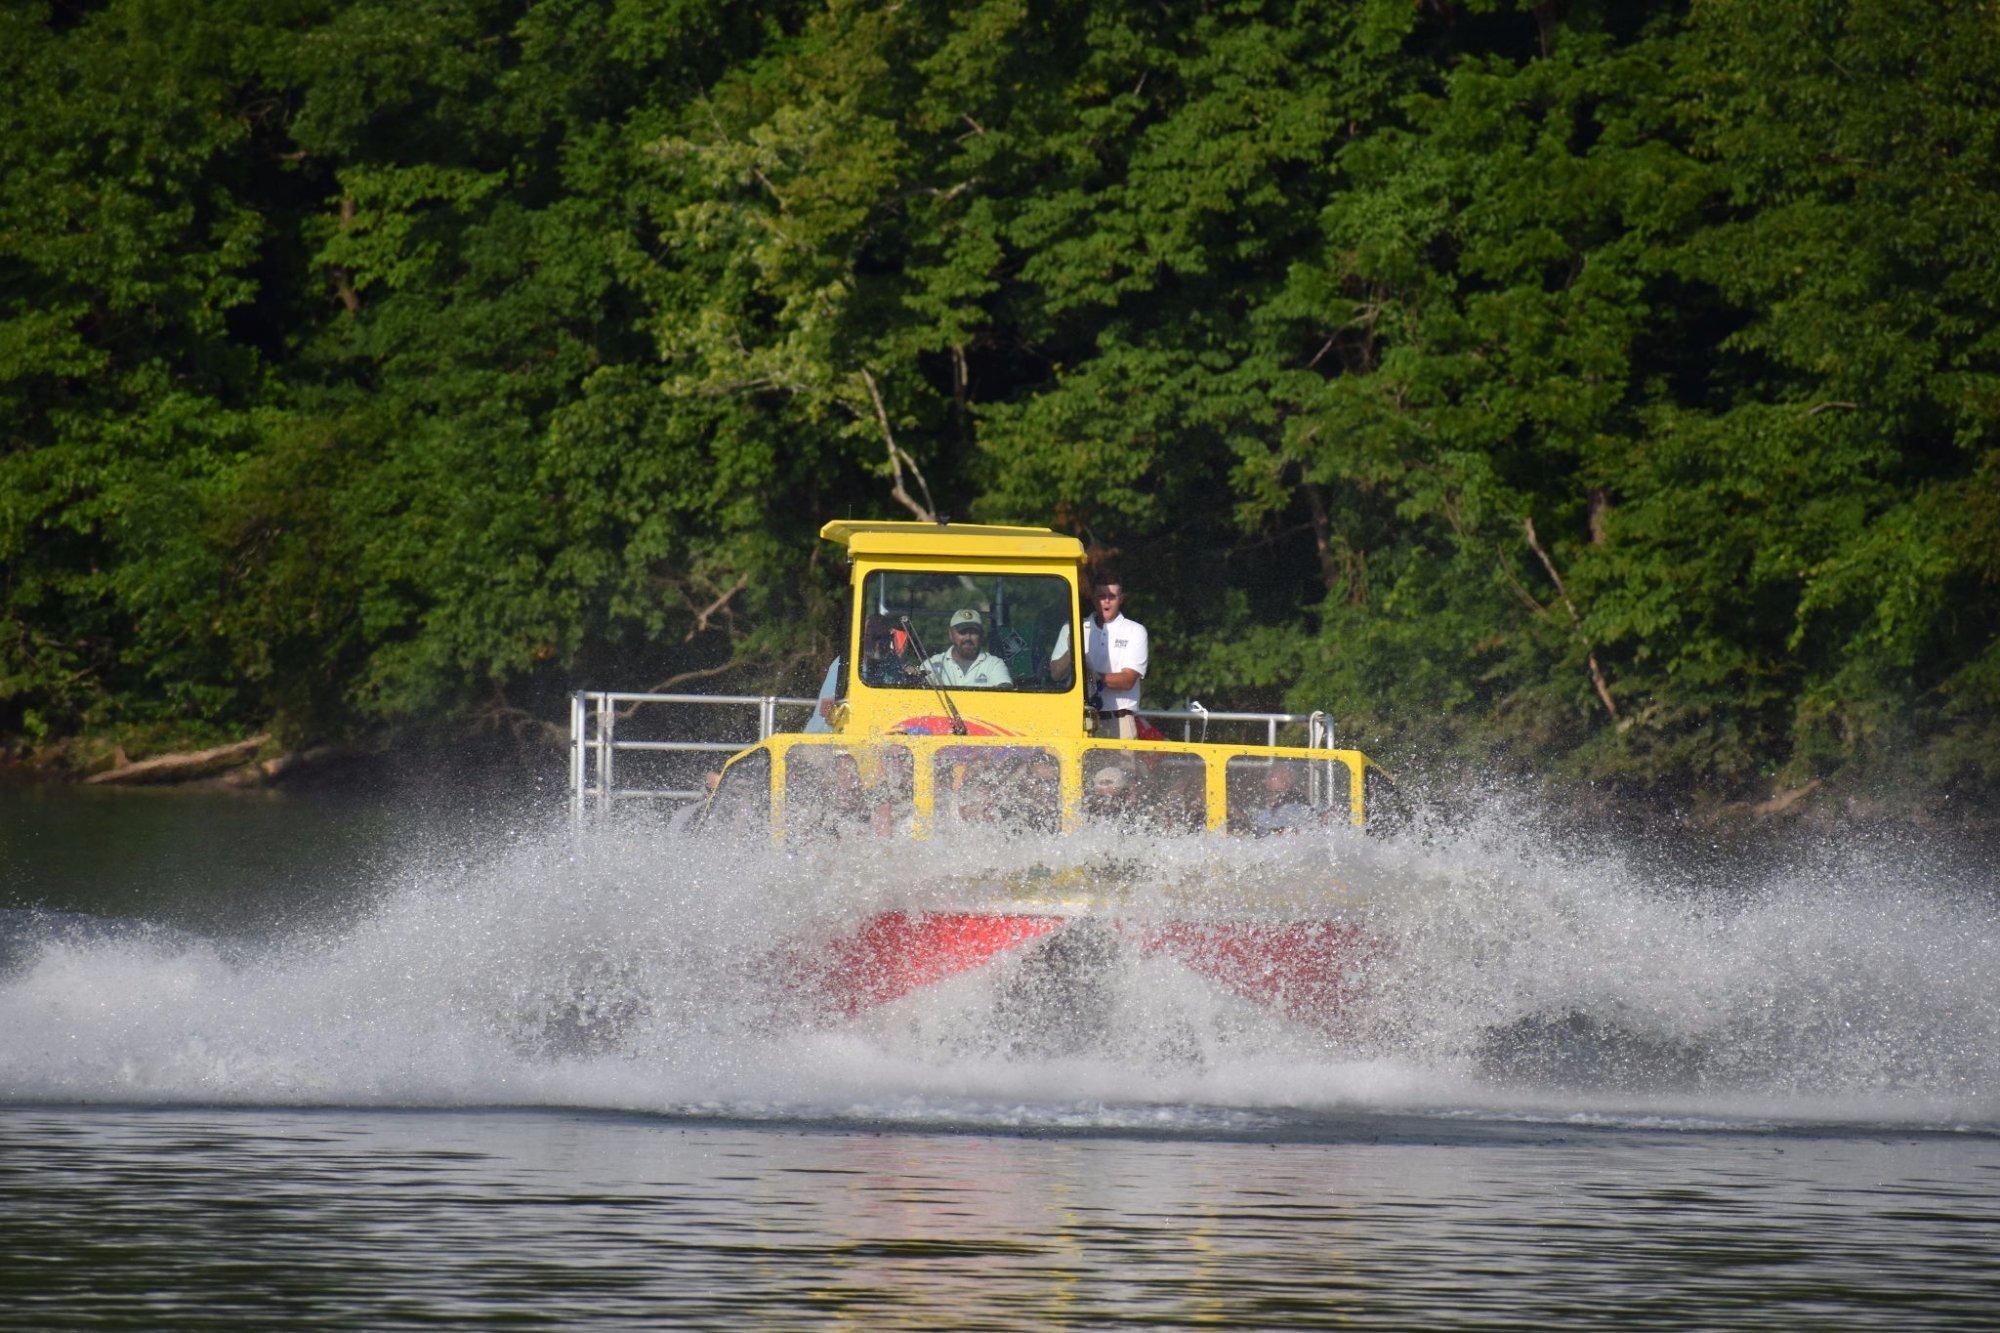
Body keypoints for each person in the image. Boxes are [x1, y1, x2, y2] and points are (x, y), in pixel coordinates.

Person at [807, 616, 906, 732]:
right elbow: (826, 713)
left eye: (885, 637)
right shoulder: (844, 664)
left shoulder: (891, 662)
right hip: (827, 736)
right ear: (863, 638)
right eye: (876, 637)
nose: (880, 643)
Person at [1082, 576, 1148, 739]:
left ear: (1121, 599)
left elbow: (1127, 681)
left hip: (1120, 719)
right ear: (1092, 598)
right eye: (1101, 596)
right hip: (1082, 720)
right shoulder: (1077, 628)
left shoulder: (1135, 630)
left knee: (1123, 766)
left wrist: (1091, 676)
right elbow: (1055, 673)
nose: (1106, 601)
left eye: (1111, 596)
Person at [922, 609, 1014, 688]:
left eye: (973, 632)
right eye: (962, 632)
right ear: (951, 634)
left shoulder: (994, 665)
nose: (968, 638)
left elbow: (1004, 693)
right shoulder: (933, 664)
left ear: (981, 635)